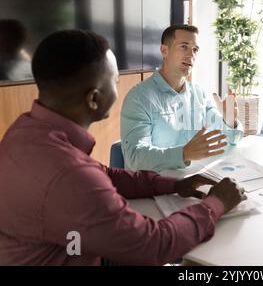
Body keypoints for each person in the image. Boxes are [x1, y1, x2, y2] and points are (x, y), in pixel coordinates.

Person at [0, 30, 246, 266]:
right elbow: (155, 245)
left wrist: (174, 184)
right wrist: (215, 204)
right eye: (115, 81)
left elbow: (106, 174)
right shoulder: (70, 175)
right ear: (94, 99)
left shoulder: (25, 130)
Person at [121, 24, 243, 172]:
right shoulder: (139, 98)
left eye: (195, 50)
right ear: (164, 51)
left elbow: (228, 140)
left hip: (195, 179)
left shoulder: (199, 94)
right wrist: (184, 153)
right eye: (184, 47)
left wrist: (230, 121)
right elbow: (135, 158)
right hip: (156, 188)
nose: (191, 55)